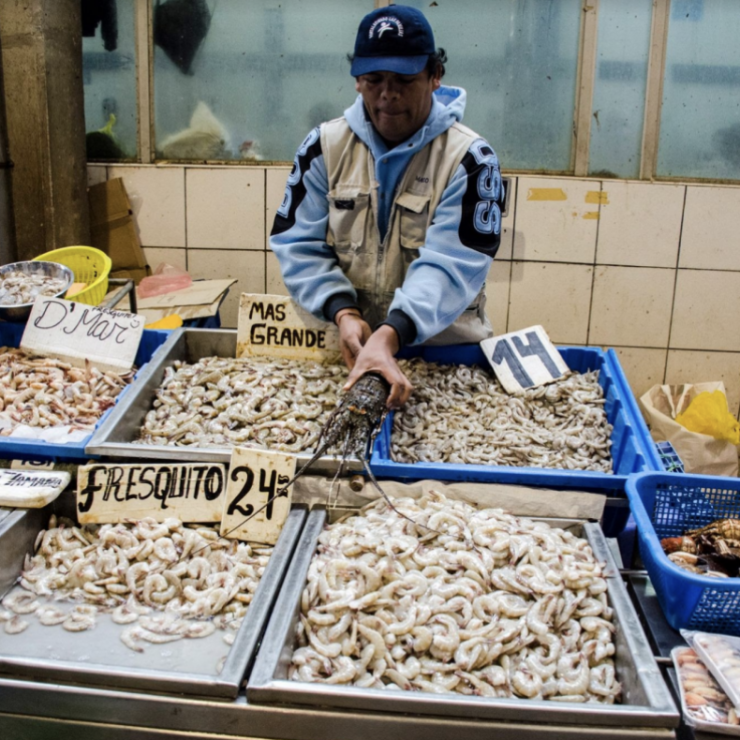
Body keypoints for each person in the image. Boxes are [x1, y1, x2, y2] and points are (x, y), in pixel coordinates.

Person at [270, 5, 504, 409]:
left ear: (435, 77)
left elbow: (450, 266)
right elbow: (298, 245)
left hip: (442, 360)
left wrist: (390, 334)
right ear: (357, 81)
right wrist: (342, 311)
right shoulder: (323, 147)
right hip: (348, 355)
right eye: (373, 79)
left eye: (404, 80)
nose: (387, 94)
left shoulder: (470, 159)